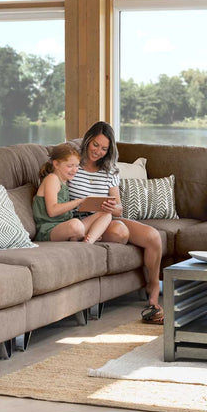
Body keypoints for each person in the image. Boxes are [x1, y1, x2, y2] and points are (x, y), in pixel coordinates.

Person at [68, 121, 164, 325]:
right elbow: (61, 199)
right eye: (95, 145)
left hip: (108, 217)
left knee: (153, 236)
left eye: (104, 149)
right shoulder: (73, 165)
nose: (98, 152)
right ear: (87, 141)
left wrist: (112, 208)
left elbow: (119, 207)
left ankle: (153, 289)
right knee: (120, 232)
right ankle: (91, 236)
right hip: (83, 220)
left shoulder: (110, 170)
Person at [33, 144, 112, 243]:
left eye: (77, 166)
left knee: (106, 213)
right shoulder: (52, 179)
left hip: (66, 226)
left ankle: (88, 240)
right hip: (49, 230)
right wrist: (79, 201)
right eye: (70, 166)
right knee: (76, 225)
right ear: (56, 164)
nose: (75, 170)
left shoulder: (64, 181)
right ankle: (82, 236)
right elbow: (52, 211)